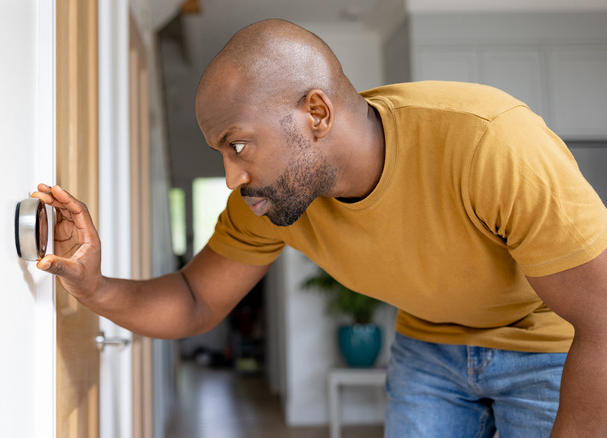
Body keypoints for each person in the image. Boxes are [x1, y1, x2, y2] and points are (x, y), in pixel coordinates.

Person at [32, 19, 607, 437]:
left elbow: (602, 322)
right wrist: (94, 285)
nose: (232, 177)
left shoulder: (489, 142)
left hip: (550, 345)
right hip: (430, 346)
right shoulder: (268, 199)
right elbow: (193, 301)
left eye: (238, 144)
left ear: (317, 113)